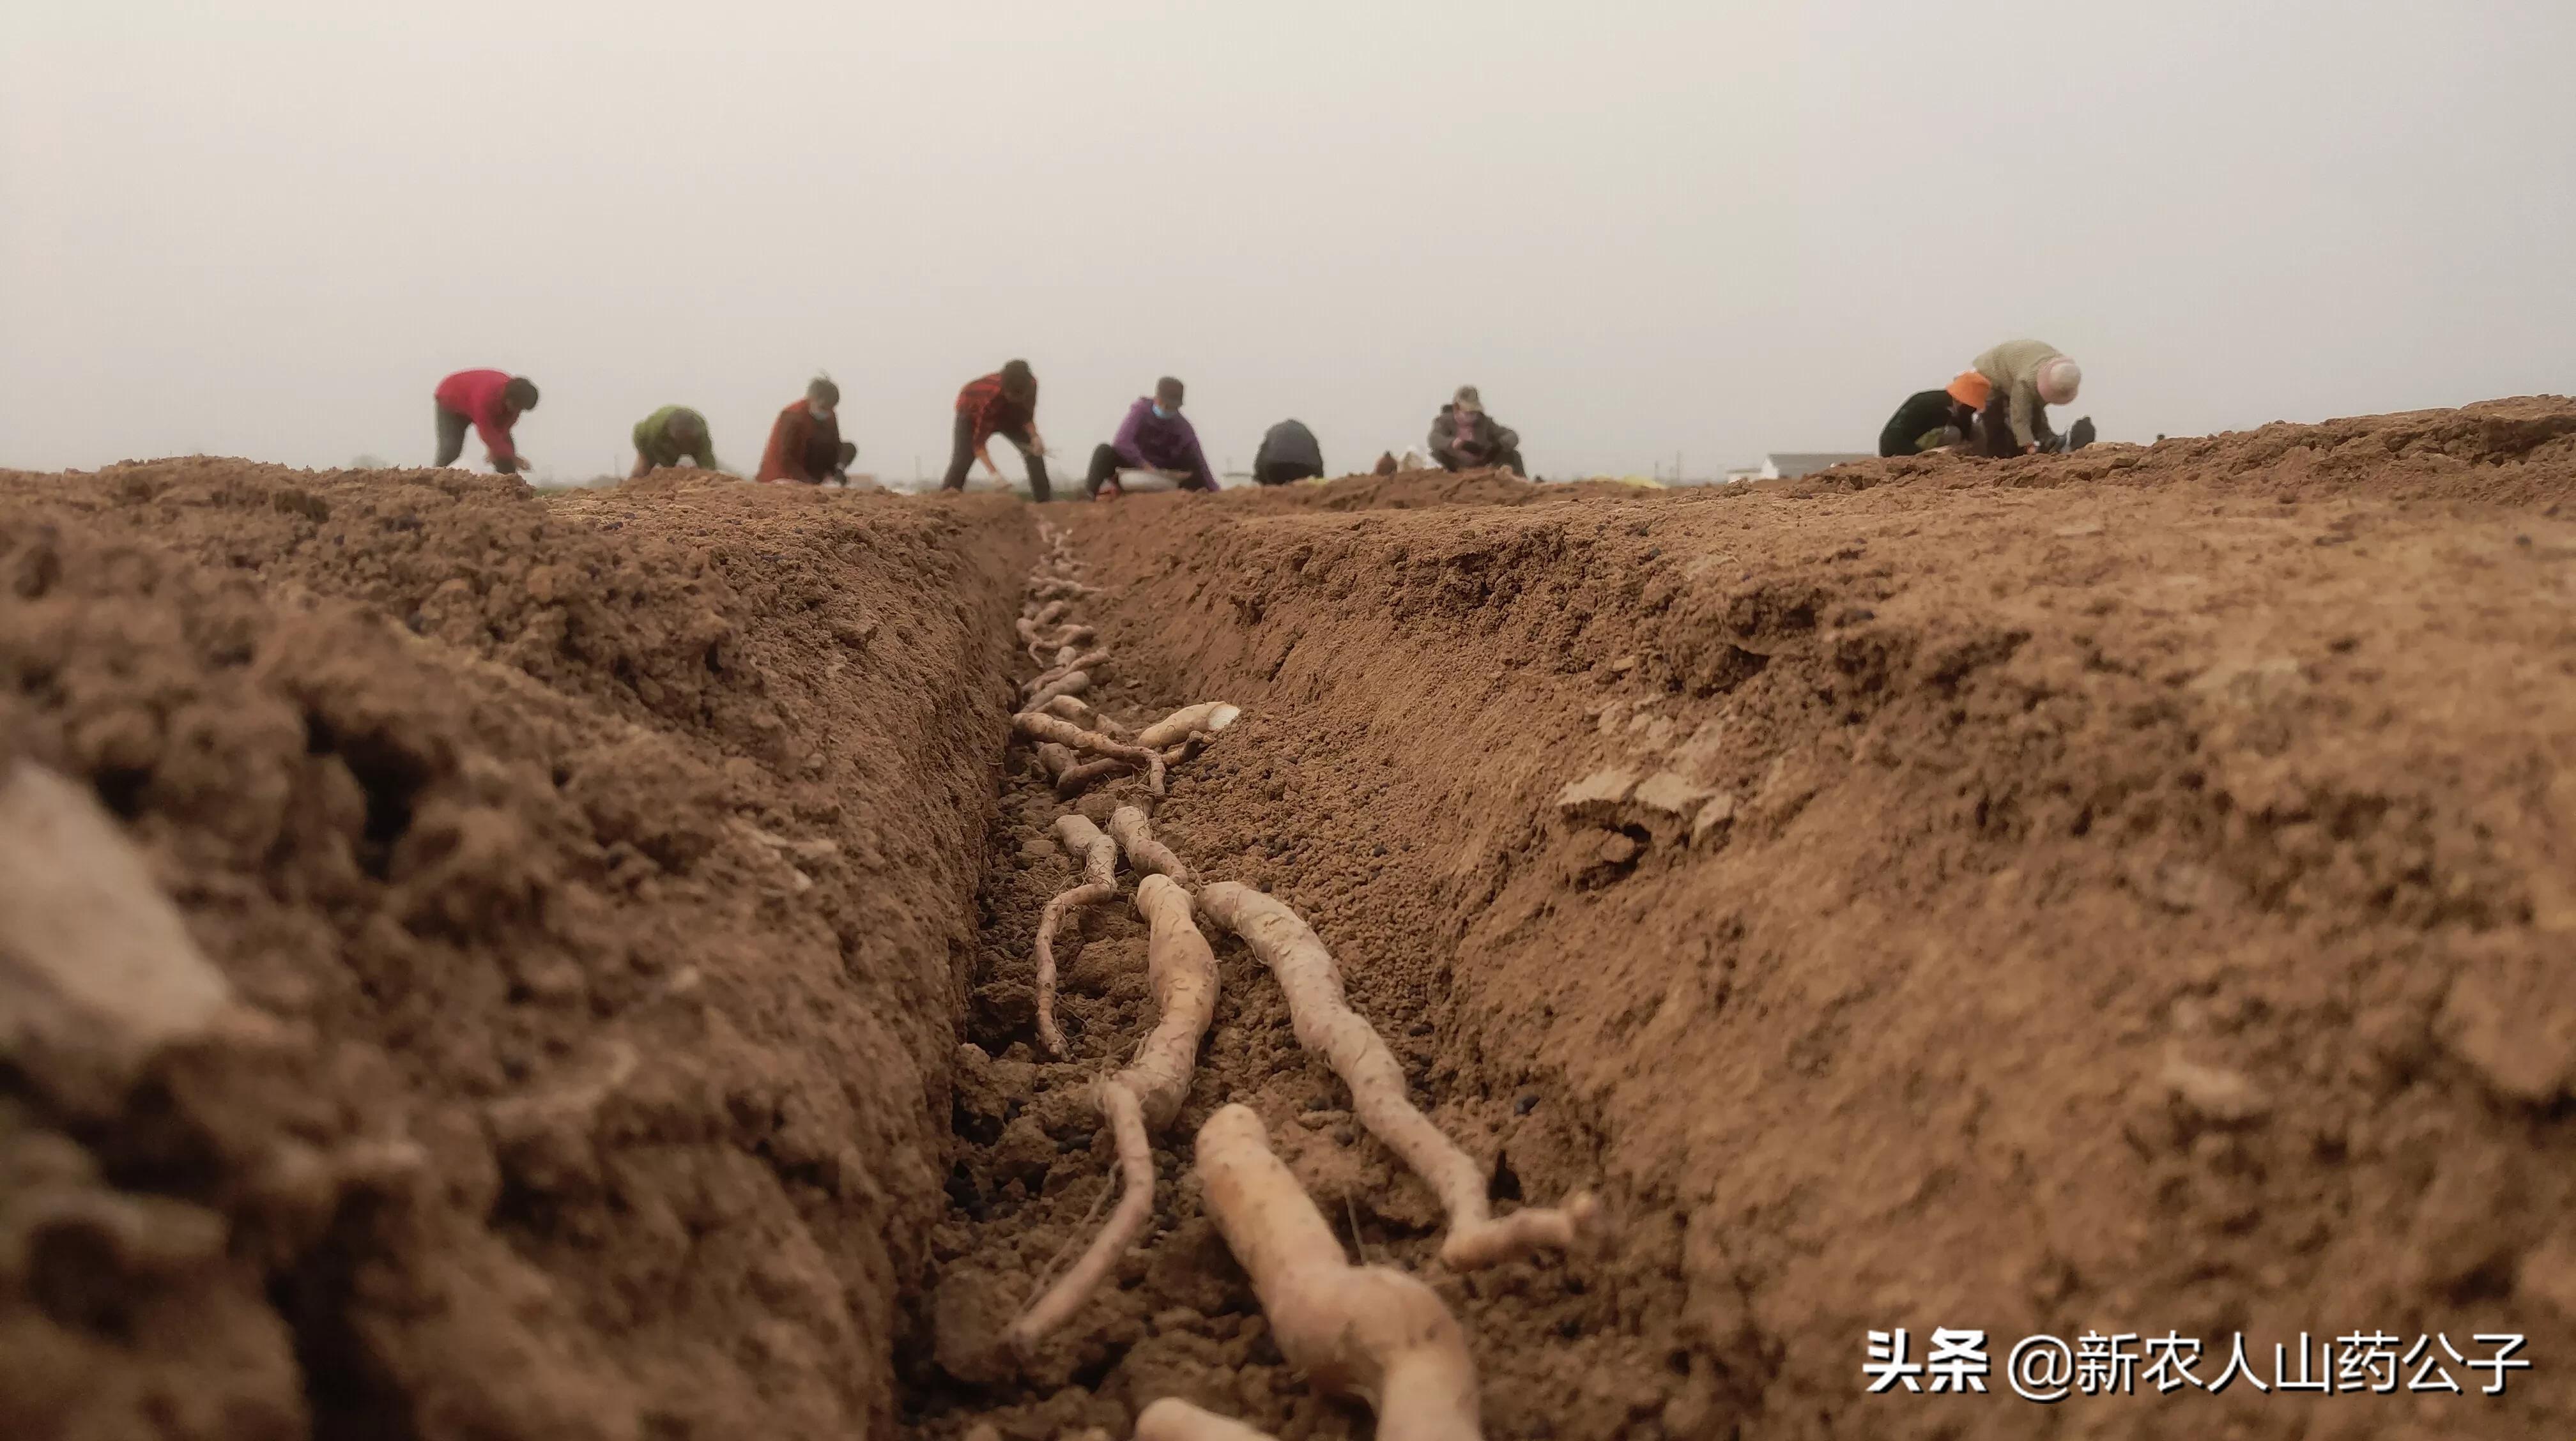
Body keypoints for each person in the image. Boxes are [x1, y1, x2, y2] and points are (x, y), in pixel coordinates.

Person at [1087, 376, 1218, 498]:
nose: (1167, 409)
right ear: (1156, 398)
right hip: (1134, 467)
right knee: (1103, 451)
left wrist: (1216, 490)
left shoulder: (1183, 427)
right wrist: (1144, 465)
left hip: (1165, 474)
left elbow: (1199, 460)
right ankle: (1091, 495)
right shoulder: (1140, 412)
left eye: (1173, 407)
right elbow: (1122, 442)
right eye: (1165, 405)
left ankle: (1186, 499)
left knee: (1194, 469)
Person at [942, 360, 1050, 499]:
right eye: (1013, 396)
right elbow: (979, 443)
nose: (1017, 400)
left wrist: (1035, 436)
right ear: (1006, 390)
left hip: (1008, 413)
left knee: (1033, 452)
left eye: (1020, 397)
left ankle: (1044, 502)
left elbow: (1027, 415)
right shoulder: (990, 399)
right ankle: (946, 500)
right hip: (970, 410)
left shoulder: (1032, 385)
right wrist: (995, 475)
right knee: (963, 459)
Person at [1965, 340, 2094, 457]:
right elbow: (2020, 416)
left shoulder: (2062, 370)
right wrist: (2029, 446)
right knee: (1996, 423)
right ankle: (1998, 458)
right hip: (1991, 370)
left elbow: (2036, 405)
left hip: (2018, 365)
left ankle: (2046, 440)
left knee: (2033, 409)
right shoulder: (2025, 382)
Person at [433, 370, 538, 475]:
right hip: (451, 402)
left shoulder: (515, 401)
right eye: (517, 407)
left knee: (505, 450)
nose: (518, 412)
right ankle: (429, 481)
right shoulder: (486, 398)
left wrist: (506, 455)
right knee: (450, 449)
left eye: (521, 409)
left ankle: (508, 486)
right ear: (509, 400)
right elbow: (487, 433)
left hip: (473, 399)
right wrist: (513, 458)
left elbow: (503, 430)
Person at [756, 376, 849, 484]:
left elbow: (835, 446)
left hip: (812, 471)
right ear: (812, 399)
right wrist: (809, 482)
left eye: (831, 407)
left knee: (848, 449)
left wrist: (837, 469)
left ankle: (830, 479)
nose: (827, 411)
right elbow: (785, 458)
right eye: (823, 407)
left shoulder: (830, 415)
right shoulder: (792, 416)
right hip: (782, 475)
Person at [1429, 386, 1524, 476]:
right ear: (1456, 409)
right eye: (1468, 413)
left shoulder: (1484, 422)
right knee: (1435, 456)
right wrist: (1453, 443)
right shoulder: (1444, 421)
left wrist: (1499, 445)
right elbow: (1434, 438)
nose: (1473, 416)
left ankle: (1525, 485)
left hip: (1481, 464)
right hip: (1452, 465)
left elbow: (1512, 435)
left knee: (1514, 455)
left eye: (1475, 412)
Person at [1878, 377, 1982, 457]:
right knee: (1953, 433)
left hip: (1923, 447)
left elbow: (1968, 437)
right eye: (1972, 407)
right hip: (1900, 451)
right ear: (1961, 401)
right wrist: (1925, 454)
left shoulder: (1960, 412)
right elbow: (1891, 438)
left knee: (1976, 432)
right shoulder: (1924, 404)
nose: (1973, 411)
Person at [629, 405, 721, 477]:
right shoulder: (654, 431)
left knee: (707, 474)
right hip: (652, 442)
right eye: (682, 441)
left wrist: (711, 477)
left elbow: (708, 462)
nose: (684, 445)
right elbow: (640, 435)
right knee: (642, 471)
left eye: (687, 440)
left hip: (690, 440)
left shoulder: (701, 432)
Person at [1253, 418, 1324, 485]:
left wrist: (1258, 478)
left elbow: (1261, 458)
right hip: (1308, 466)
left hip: (1274, 464)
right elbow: (1319, 463)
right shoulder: (1307, 434)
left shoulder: (1275, 432)